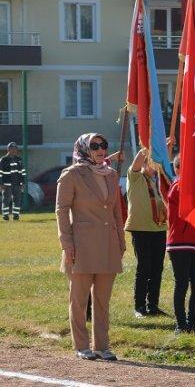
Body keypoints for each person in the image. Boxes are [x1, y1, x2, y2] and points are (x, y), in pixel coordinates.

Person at [56, 134, 125, 360]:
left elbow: (115, 211)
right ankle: (81, 346)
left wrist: (121, 241)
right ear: (85, 148)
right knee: (79, 299)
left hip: (108, 245)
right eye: (94, 146)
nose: (100, 149)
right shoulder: (72, 174)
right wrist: (67, 244)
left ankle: (102, 346)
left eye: (103, 145)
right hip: (81, 246)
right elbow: (61, 211)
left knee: (102, 300)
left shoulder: (111, 174)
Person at [165, 153, 195, 334]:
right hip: (180, 243)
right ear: (177, 169)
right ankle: (181, 323)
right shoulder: (177, 186)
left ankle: (192, 321)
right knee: (182, 283)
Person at [125, 149, 167, 318]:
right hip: (141, 228)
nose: (154, 166)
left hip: (158, 228)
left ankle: (153, 305)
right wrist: (148, 146)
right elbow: (135, 164)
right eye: (150, 162)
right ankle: (139, 306)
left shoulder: (155, 181)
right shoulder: (135, 177)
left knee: (157, 268)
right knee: (144, 267)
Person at [1, 142, 26, 221]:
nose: (14, 150)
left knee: (17, 199)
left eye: (15, 148)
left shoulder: (19, 159)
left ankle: (16, 215)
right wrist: (1, 183)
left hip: (17, 183)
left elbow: (23, 172)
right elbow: (0, 172)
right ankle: (5, 216)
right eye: (12, 148)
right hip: (6, 184)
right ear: (8, 149)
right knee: (6, 200)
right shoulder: (3, 159)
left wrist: (23, 183)